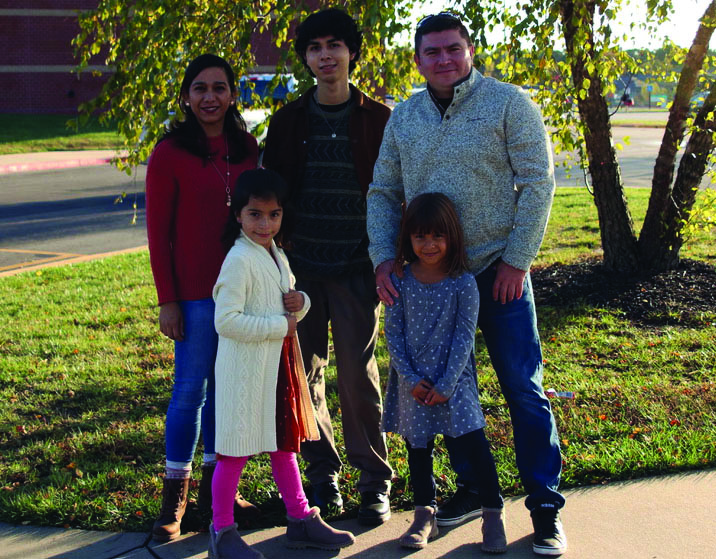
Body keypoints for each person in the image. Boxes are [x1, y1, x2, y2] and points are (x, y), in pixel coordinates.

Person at [367, 13, 567, 556]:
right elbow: (383, 191)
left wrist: (517, 261)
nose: (443, 60)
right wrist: (385, 257)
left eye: (453, 49)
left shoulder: (508, 104)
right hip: (431, 280)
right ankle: (472, 492)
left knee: (522, 390)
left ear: (470, 50)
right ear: (417, 59)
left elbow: (537, 182)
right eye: (431, 52)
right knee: (440, 391)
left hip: (497, 273)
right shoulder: (404, 117)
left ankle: (545, 507)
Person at [262, 7, 393, 525]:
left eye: (334, 45)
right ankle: (324, 476)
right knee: (306, 373)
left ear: (351, 52)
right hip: (301, 271)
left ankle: (373, 479)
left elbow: (395, 192)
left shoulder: (379, 118)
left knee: (357, 375)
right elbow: (270, 195)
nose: (325, 56)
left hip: (359, 266)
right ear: (307, 59)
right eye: (315, 48)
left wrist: (392, 258)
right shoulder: (289, 120)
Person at [208, 168, 355, 559]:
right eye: (255, 214)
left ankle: (301, 518)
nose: (265, 223)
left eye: (274, 214)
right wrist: (281, 324)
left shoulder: (277, 254)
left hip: (277, 371)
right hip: (244, 373)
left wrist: (301, 303)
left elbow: (289, 306)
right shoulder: (239, 259)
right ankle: (222, 532)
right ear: (237, 214)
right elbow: (225, 321)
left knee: (284, 447)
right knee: (234, 452)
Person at [146, 53, 258, 541]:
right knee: (190, 392)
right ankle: (174, 502)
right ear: (187, 97)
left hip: (242, 295)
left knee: (227, 394)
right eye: (199, 88)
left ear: (233, 94)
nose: (209, 97)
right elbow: (158, 233)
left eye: (219, 87)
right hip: (192, 295)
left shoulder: (247, 147)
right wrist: (167, 299)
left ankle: (221, 494)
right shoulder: (169, 152)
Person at [383, 193, 507, 553]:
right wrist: (409, 379)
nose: (429, 244)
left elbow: (465, 337)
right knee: (418, 450)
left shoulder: (462, 283)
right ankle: (424, 517)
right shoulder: (401, 281)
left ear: (452, 237)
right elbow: (393, 333)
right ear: (408, 238)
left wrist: (447, 384)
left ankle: (493, 514)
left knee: (475, 448)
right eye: (420, 236)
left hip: (454, 380)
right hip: (414, 383)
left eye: (437, 236)